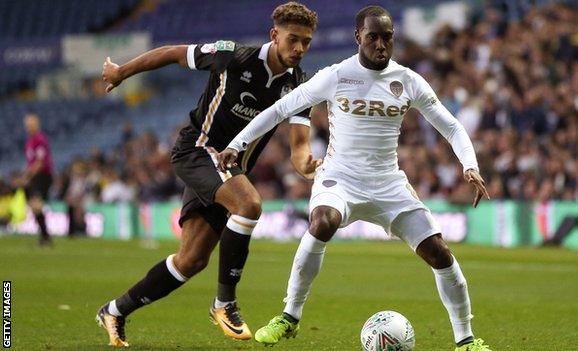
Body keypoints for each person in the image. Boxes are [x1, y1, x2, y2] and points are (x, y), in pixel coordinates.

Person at [217, 6, 493, 351]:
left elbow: (451, 126)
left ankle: (466, 340)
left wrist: (470, 165)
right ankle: (289, 317)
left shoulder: (407, 81)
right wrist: (237, 144)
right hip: (340, 178)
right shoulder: (336, 75)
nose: (381, 44)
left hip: (389, 183)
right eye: (373, 36)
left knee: (440, 254)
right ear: (358, 37)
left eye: (387, 37)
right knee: (322, 221)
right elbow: (281, 109)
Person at [96, 2, 322, 346]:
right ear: (274, 35)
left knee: (191, 261)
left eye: (306, 42)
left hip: (228, 173)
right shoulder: (231, 56)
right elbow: (173, 53)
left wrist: (309, 164)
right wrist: (121, 72)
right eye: (293, 39)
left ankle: (114, 310)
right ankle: (224, 303)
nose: (300, 49)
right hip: (197, 151)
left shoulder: (300, 86)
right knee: (248, 205)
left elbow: (299, 147)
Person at [22, 114, 54, 247]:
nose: (29, 127)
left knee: (36, 204)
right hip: (35, 176)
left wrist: (27, 176)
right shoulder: (30, 141)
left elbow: (39, 163)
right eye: (27, 125)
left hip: (42, 176)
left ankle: (45, 237)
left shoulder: (39, 139)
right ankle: (44, 237)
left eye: (31, 124)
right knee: (34, 206)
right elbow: (31, 161)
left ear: (36, 125)